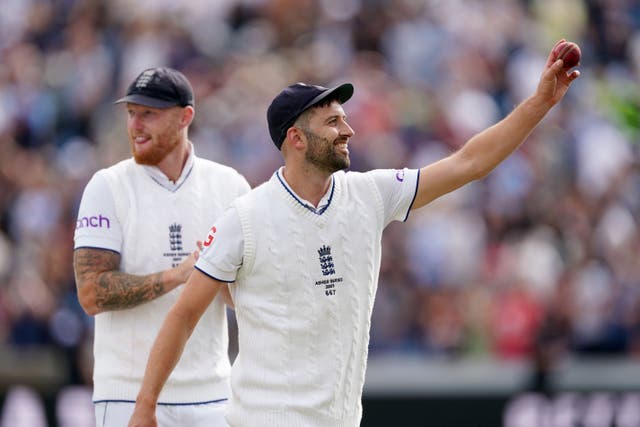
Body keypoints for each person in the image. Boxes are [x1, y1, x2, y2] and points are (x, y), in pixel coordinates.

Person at [128, 41, 580, 427]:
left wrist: (539, 102)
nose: (349, 130)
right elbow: (184, 315)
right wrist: (145, 408)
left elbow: (469, 162)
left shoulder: (370, 193)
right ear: (296, 139)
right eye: (333, 122)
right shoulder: (245, 217)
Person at [73, 67, 250, 427]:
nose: (135, 125)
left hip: (212, 393)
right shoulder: (107, 186)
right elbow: (91, 294)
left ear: (186, 116)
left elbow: (246, 294)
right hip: (126, 393)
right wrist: (180, 275)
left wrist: (221, 277)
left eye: (149, 114)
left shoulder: (230, 186)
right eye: (131, 113)